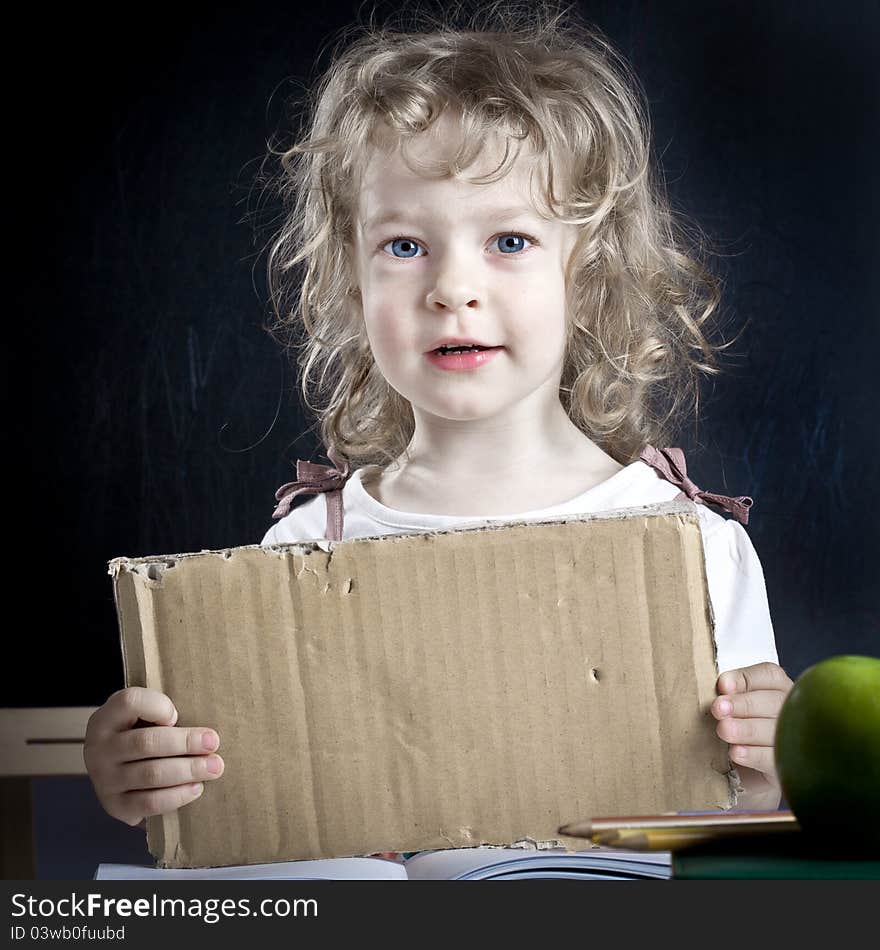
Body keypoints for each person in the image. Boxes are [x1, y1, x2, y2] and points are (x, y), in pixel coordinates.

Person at [84, 2, 793, 841]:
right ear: (350, 278)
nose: (452, 289)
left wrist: (778, 761)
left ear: (587, 272)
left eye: (510, 241)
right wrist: (138, 774)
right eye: (405, 246)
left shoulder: (695, 547)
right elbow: (251, 808)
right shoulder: (310, 546)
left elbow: (743, 815)